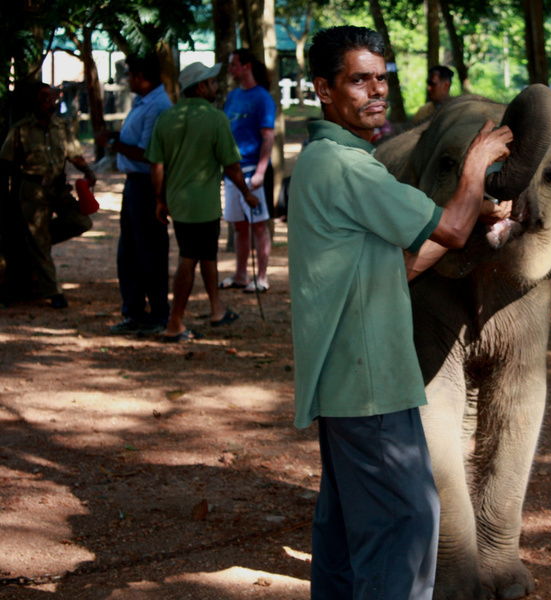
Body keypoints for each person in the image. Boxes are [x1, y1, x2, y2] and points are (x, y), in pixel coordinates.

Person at [288, 26, 512, 600]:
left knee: (346, 536)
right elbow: (451, 227)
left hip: (347, 382)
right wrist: (477, 167)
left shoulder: (324, 161)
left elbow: (404, 263)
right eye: (358, 80)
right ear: (323, 90)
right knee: (407, 524)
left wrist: (479, 215)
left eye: (381, 78)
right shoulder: (348, 167)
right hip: (370, 383)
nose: (375, 91)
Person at [146, 62, 256, 343]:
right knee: (190, 257)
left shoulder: (167, 118)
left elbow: (156, 165)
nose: (216, 87)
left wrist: (160, 199)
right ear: (201, 87)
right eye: (212, 82)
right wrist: (246, 193)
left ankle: (217, 309)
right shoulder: (217, 119)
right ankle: (175, 323)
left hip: (179, 202)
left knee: (206, 254)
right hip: (204, 204)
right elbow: (231, 166)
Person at [95, 54, 172, 334]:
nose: (127, 80)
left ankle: (159, 313)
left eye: (130, 75)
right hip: (133, 183)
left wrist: (114, 141)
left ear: (141, 76)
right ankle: (134, 311)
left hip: (147, 183)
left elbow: (149, 154)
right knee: (129, 249)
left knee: (150, 249)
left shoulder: (158, 106)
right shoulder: (143, 103)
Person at [0, 82, 95, 309]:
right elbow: (6, 161)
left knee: (81, 221)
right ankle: (54, 292)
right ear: (34, 102)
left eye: (52, 99)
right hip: (33, 190)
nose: (49, 104)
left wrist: (88, 171)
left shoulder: (61, 126)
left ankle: (34, 240)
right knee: (39, 241)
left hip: (59, 188)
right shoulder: (21, 129)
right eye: (44, 99)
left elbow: (75, 155)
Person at [220, 49, 276, 293]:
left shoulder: (263, 98)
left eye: (234, 64)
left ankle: (261, 277)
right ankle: (240, 274)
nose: (230, 69)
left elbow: (268, 136)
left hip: (253, 170)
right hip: (232, 172)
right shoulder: (232, 97)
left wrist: (261, 172)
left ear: (246, 66)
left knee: (259, 225)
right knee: (239, 226)